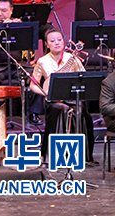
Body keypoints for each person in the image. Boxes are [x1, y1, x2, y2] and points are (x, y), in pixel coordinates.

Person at [29, 28, 94, 163]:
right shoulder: (42, 61)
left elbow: (84, 77)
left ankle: (80, 155)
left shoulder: (72, 58)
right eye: (52, 41)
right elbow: (33, 85)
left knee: (80, 109)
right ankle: (57, 154)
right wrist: (46, 93)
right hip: (53, 100)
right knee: (62, 109)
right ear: (47, 44)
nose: (57, 43)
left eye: (59, 40)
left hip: (72, 97)